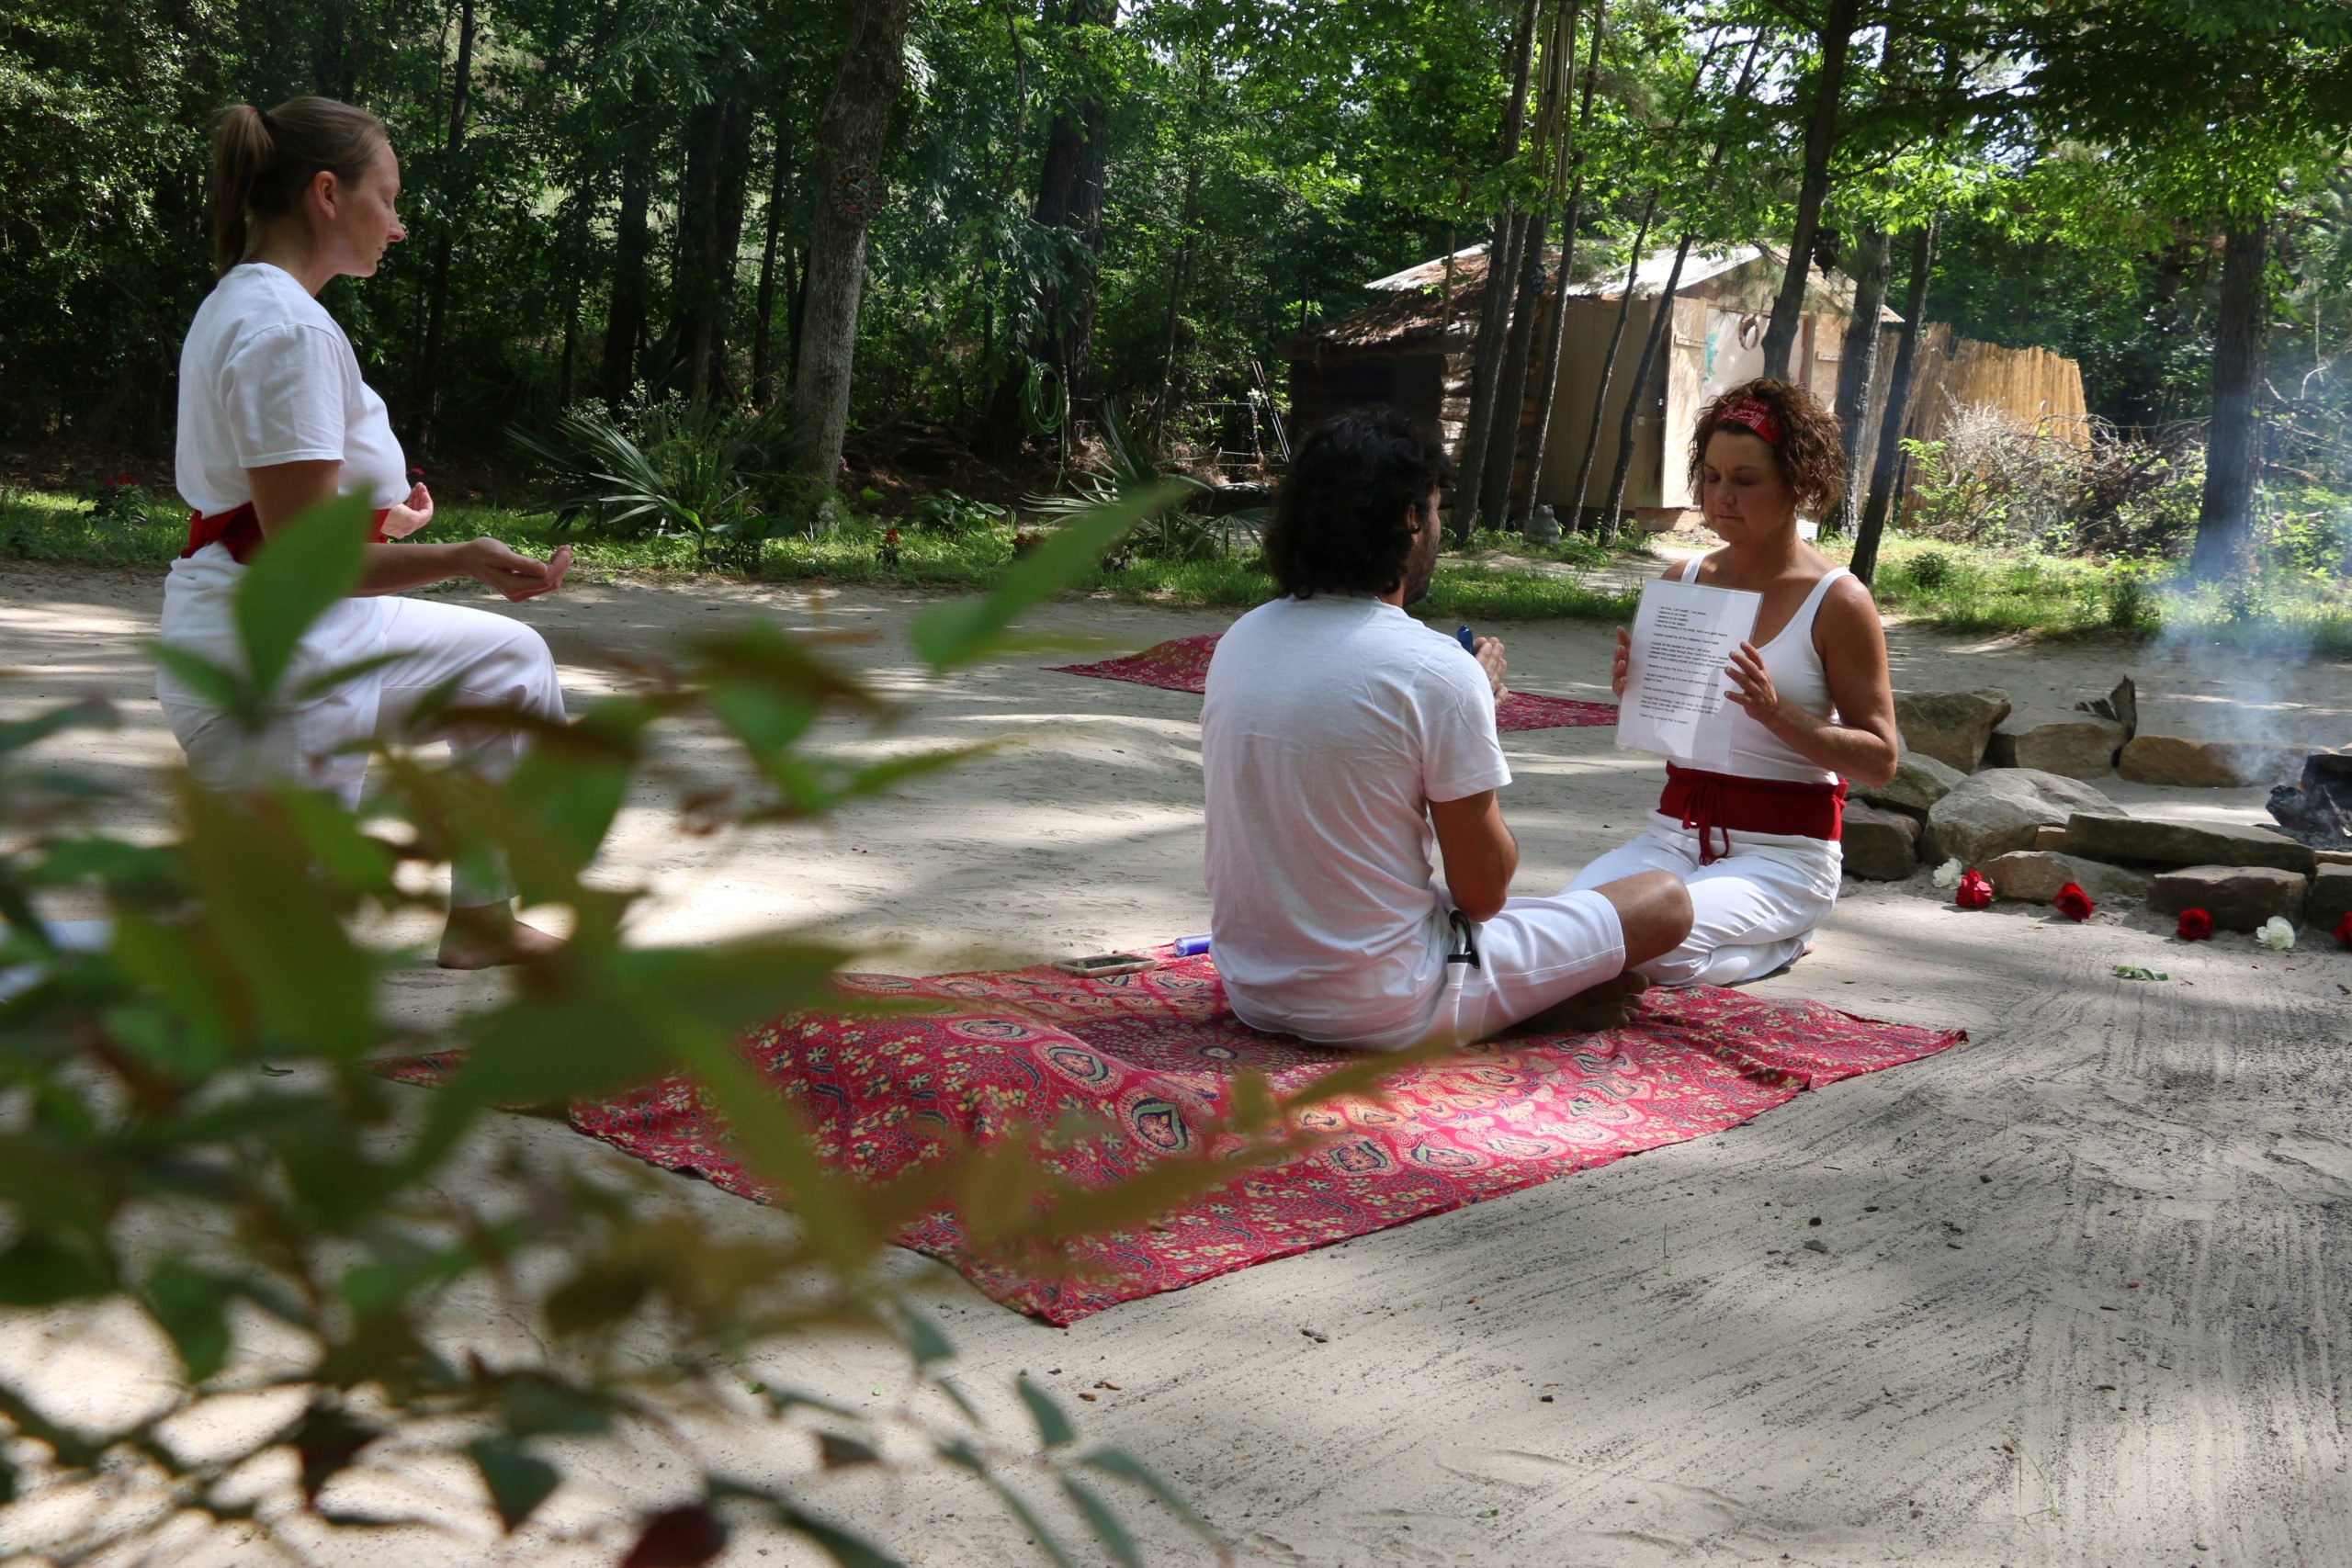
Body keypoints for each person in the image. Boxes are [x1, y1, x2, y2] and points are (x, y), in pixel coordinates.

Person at [164, 96, 571, 968]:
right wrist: (462, 557)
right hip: (271, 662)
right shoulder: (285, 332)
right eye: (385, 197)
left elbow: (270, 501)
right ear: (325, 193)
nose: (396, 223)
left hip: (306, 636)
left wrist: (385, 519)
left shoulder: (254, 303)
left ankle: (483, 917)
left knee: (510, 661)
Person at [1200, 409, 1693, 1051]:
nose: (1440, 529)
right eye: (1435, 511)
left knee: (1505, 914)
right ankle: (1512, 1003)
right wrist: (1475, 714)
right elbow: (1484, 891)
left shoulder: (1241, 639)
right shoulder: (1437, 671)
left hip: (1254, 988)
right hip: (1391, 1001)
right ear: (1409, 520)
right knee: (1664, 901)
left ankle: (1523, 995)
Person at [1566, 377, 1899, 986]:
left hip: (1783, 856)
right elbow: (1678, 730)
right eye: (1712, 477)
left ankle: (1787, 938)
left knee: (1653, 952)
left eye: (1745, 481)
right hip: (1674, 837)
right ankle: (1737, 941)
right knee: (1569, 930)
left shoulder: (1838, 600)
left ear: (1798, 484)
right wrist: (1640, 691)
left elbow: (1880, 762)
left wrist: (1779, 714)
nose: (1722, 496)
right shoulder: (1683, 580)